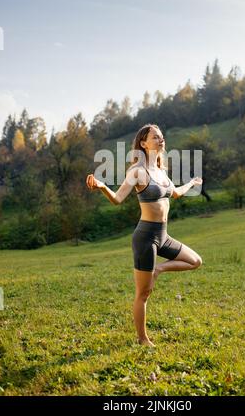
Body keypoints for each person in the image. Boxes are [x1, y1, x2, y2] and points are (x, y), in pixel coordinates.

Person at [86, 123, 203, 347]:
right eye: (156, 137)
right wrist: (102, 186)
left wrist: (191, 183)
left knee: (195, 261)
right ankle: (142, 338)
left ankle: (158, 269)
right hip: (145, 237)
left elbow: (175, 193)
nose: (161, 140)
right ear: (143, 143)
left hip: (164, 236)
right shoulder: (137, 171)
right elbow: (118, 199)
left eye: (162, 136)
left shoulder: (162, 172)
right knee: (144, 293)